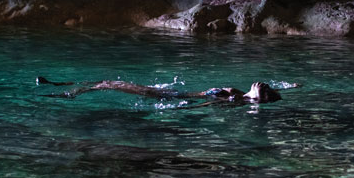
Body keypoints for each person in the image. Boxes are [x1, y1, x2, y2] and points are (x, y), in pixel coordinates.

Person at [36, 77, 288, 104]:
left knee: (110, 84)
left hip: (171, 98)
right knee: (106, 81)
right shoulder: (238, 92)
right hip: (174, 95)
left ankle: (66, 93)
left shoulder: (235, 100)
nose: (264, 86)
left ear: (260, 101)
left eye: (266, 92)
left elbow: (203, 105)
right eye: (267, 86)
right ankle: (59, 85)